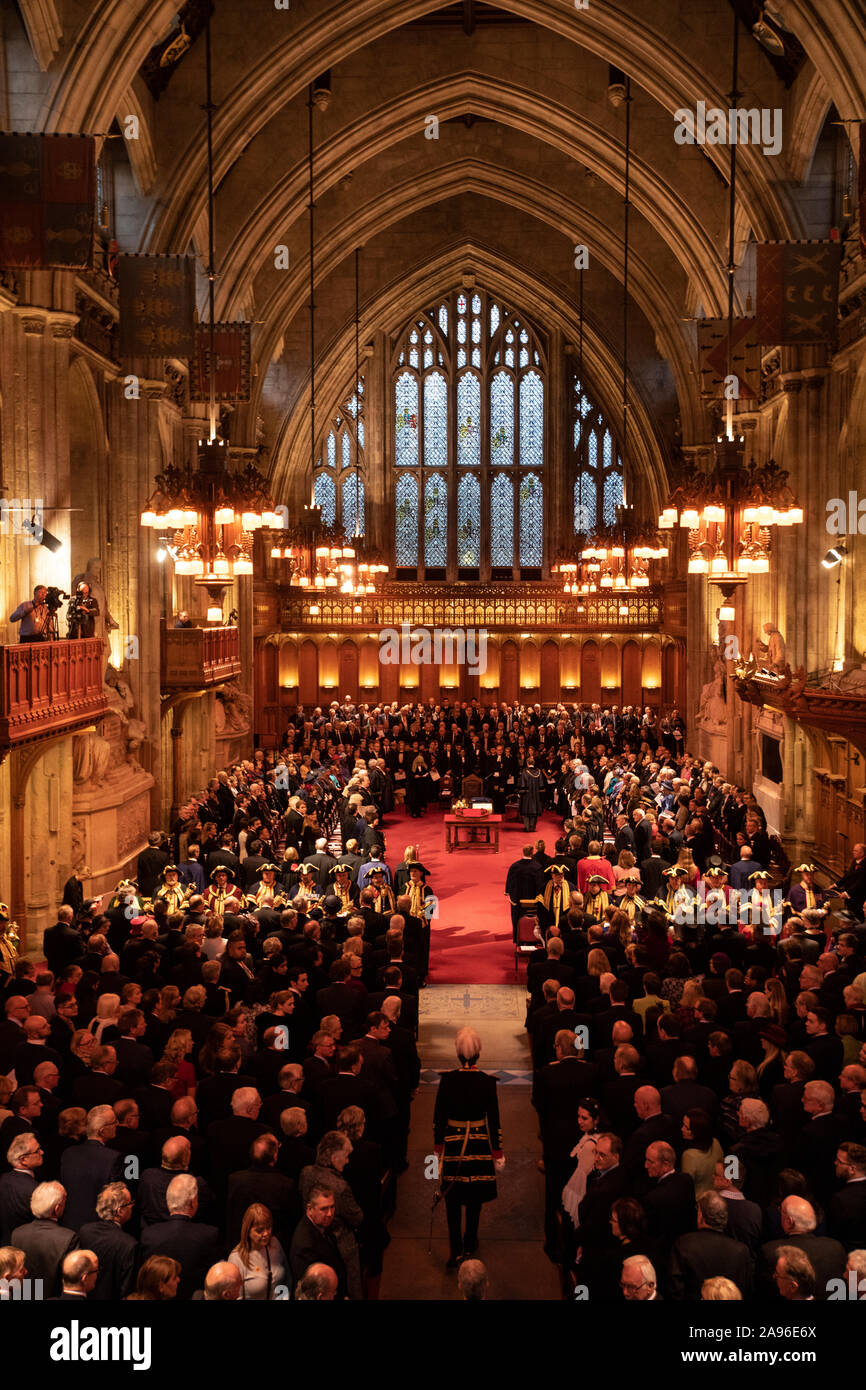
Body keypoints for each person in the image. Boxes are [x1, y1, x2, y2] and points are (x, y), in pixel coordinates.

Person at [433, 1027, 503, 1270]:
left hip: (453, 1144)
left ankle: (455, 1249)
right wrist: (497, 1152)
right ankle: (470, 1242)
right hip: (479, 1144)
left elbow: (438, 1116)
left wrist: (438, 1147)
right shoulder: (487, 1082)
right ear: (478, 1054)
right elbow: (494, 1120)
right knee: (475, 1198)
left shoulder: (447, 1080)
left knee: (452, 1198)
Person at [228, 1201, 287, 1300]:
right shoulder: (236, 1258)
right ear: (248, 1230)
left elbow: (286, 1279)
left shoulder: (275, 1243)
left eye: (268, 1228)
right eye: (259, 1230)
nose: (266, 1233)